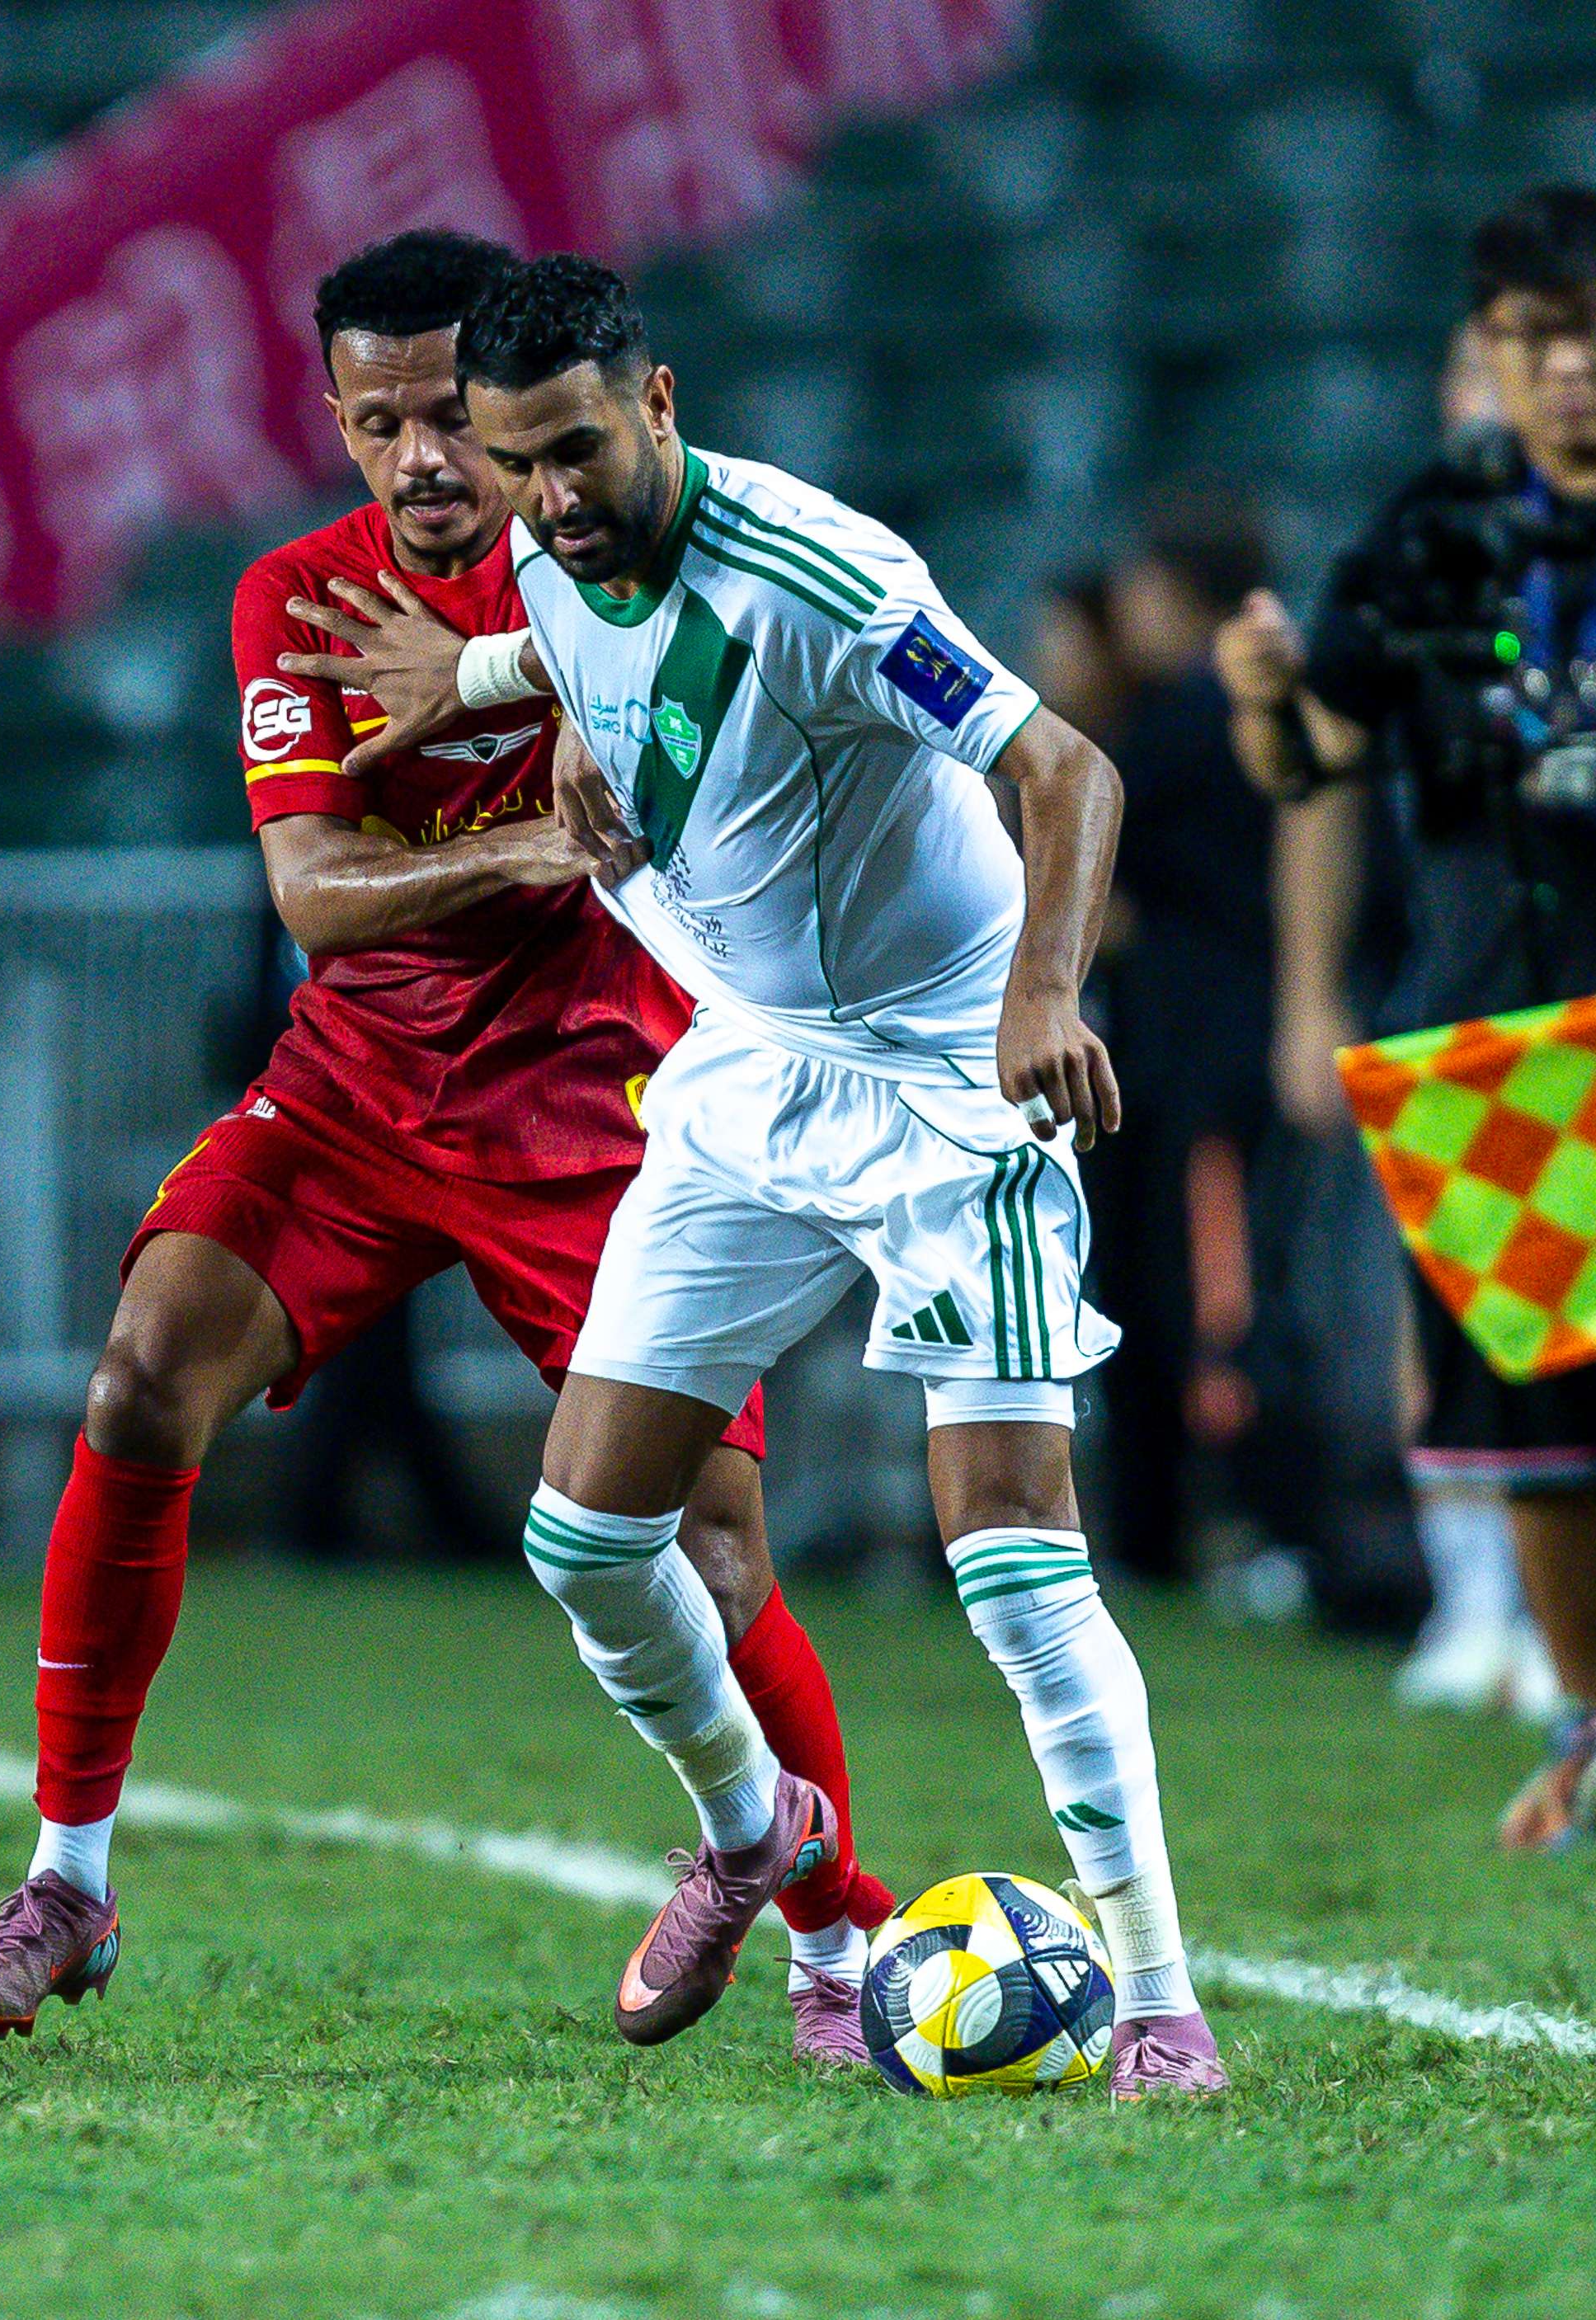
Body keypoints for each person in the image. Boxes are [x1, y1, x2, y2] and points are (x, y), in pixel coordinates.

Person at [0, 233, 896, 2055]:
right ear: (342, 428)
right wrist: (525, 842)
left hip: (599, 1100)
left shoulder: (604, 555)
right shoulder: (293, 596)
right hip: (356, 1093)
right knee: (140, 1377)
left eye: (454, 413)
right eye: (383, 424)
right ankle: (67, 1875)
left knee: (711, 1539)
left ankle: (839, 1937)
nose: (428, 458)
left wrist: (512, 686)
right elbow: (314, 891)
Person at [437, 254, 1220, 2096]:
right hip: (747, 1073)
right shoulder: (551, 550)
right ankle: (756, 1826)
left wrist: (1042, 996)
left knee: (1013, 1567)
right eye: (512, 463)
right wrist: (550, 732)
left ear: (658, 403)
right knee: (581, 1537)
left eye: (572, 450)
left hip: (953, 1080)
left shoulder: (824, 573)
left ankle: (1163, 2000)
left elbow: (1067, 767)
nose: (547, 497)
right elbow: (566, 643)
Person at [1214, 186, 1596, 1850]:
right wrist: (1262, 709)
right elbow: (1312, 760)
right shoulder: (1422, 527)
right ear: (1493, 356)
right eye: (1530, 342)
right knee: (1525, 1422)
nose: (1569, 374)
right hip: (1486, 1016)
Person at [1083, 491, 1309, 1583]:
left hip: (1201, 1052)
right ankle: (1180, 1533)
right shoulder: (1254, 707)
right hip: (1205, 1043)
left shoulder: (1187, 717)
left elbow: (1106, 887)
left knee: (1206, 1296)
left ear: (1176, 593)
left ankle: (1257, 1523)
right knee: (1179, 1283)